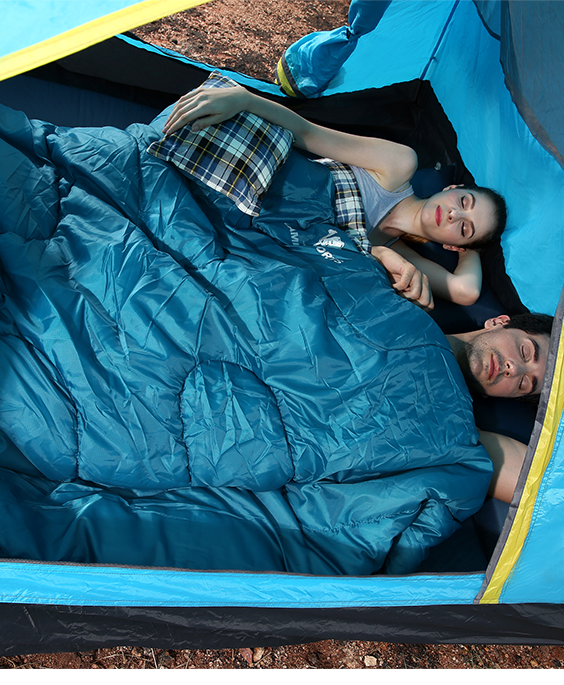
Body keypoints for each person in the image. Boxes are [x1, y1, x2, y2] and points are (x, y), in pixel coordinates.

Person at [163, 83, 508, 310]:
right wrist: (244, 99)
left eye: (464, 229)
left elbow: (465, 291)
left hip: (262, 236)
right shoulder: (399, 165)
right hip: (268, 184)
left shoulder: (395, 252)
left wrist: (471, 249)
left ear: (452, 246)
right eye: (464, 203)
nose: (454, 215)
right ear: (451, 189)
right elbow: (306, 132)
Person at [445, 312, 554, 502]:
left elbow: (546, 490)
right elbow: (467, 293)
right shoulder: (404, 306)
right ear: (499, 322)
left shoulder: (455, 430)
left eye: (524, 383)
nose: (514, 369)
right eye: (525, 352)